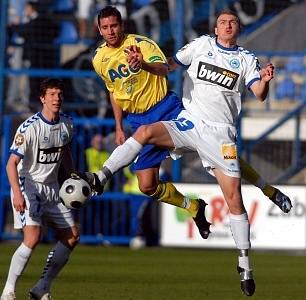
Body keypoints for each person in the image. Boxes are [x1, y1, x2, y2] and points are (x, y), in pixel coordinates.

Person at [80, 9, 293, 296]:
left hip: (218, 133)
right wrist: (142, 70)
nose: (228, 26)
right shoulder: (200, 45)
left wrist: (265, 80)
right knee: (144, 152)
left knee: (234, 199)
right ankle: (100, 176)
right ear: (216, 28)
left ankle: (245, 263)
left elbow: (259, 93)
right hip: (189, 121)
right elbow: (166, 66)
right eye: (222, 22)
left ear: (239, 28)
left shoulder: (245, 59)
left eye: (232, 22)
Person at [88, 5, 212, 240]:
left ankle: (101, 176)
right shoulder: (99, 59)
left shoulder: (141, 45)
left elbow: (164, 68)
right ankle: (193, 206)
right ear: (100, 30)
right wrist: (117, 126)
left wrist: (142, 64)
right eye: (105, 27)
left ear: (122, 25)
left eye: (114, 25)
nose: (110, 31)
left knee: (213, 151)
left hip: (165, 110)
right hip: (137, 119)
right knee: (147, 186)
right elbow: (114, 92)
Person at [1, 79, 79, 300]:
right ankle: (8, 289)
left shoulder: (67, 124)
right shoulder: (29, 127)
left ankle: (42, 287)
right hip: (30, 186)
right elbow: (11, 164)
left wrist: (72, 174)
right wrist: (17, 193)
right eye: (52, 94)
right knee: (33, 237)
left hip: (53, 189)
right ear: (42, 98)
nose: (56, 98)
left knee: (72, 236)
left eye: (59, 94)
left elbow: (64, 152)